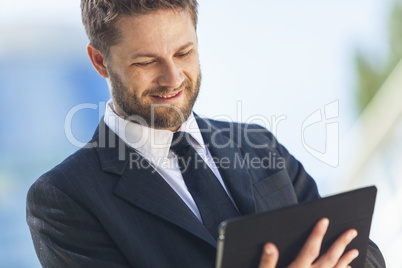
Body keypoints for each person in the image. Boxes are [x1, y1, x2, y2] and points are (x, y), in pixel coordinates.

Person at [26, 1, 385, 267]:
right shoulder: (62, 198)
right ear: (100, 61)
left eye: (184, 52)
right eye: (146, 62)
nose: (173, 78)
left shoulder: (258, 144)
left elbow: (361, 251)